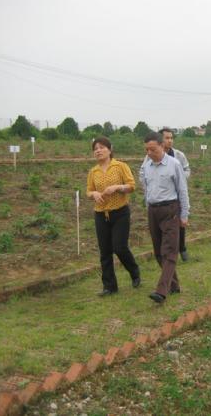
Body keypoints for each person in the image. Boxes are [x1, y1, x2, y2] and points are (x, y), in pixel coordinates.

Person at [86, 136, 141, 297]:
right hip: (101, 214)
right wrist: (94, 194)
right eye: (95, 148)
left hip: (120, 212)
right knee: (105, 251)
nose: (98, 150)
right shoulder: (93, 172)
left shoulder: (120, 166)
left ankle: (134, 271)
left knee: (119, 247)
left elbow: (132, 186)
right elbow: (88, 190)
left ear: (110, 150)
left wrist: (117, 187)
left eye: (102, 147)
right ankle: (109, 286)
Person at [140, 132, 189, 304]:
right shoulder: (147, 165)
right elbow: (146, 187)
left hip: (170, 210)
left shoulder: (174, 164)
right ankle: (174, 285)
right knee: (158, 252)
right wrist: (148, 205)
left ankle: (161, 291)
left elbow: (182, 190)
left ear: (162, 146)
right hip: (153, 210)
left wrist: (184, 214)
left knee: (169, 251)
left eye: (152, 149)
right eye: (146, 150)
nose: (149, 153)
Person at [159, 128, 191, 262]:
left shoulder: (179, 155)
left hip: (177, 195)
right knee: (162, 224)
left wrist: (180, 179)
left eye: (171, 138)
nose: (170, 140)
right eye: (167, 138)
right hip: (162, 196)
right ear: (160, 140)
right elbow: (143, 173)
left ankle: (182, 248)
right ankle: (164, 250)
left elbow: (187, 169)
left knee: (180, 222)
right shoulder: (153, 155)